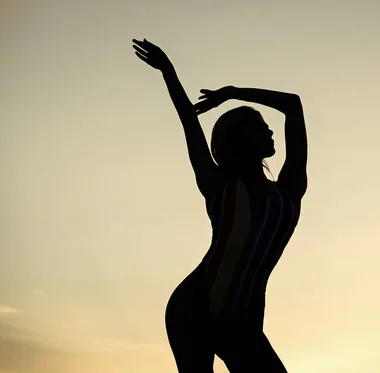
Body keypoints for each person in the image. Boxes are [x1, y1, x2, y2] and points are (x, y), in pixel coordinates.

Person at [132, 38, 307, 373]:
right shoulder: (220, 187)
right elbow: (188, 121)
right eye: (259, 126)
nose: (270, 130)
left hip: (242, 321)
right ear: (238, 140)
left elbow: (293, 105)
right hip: (192, 308)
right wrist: (167, 70)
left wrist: (233, 92)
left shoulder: (289, 191)